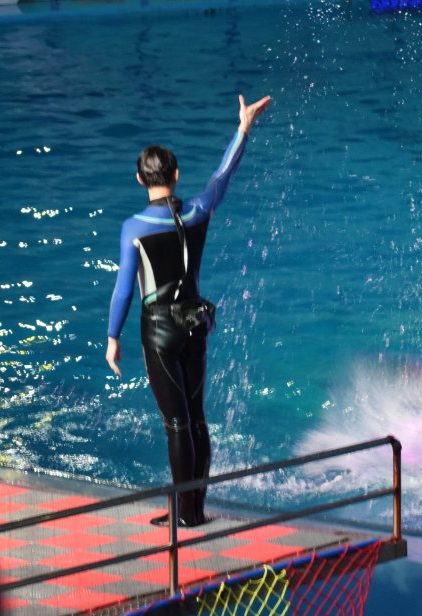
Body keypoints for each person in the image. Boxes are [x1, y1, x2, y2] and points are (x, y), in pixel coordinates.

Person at [105, 93, 272, 528]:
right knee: (196, 417)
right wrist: (242, 129)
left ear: (140, 179)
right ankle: (192, 510)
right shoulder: (198, 211)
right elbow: (223, 174)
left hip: (159, 330)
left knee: (177, 424)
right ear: (176, 176)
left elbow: (124, 291)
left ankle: (187, 516)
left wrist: (112, 337)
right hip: (196, 322)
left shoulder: (133, 228)